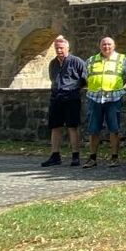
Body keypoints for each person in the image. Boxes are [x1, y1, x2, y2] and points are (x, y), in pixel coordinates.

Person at [83, 36, 126, 168]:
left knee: (114, 129)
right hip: (95, 97)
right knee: (93, 129)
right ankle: (92, 158)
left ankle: (114, 157)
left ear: (114, 45)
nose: (106, 47)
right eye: (104, 44)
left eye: (109, 44)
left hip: (114, 97)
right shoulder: (91, 60)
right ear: (100, 46)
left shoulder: (122, 59)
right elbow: (86, 77)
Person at [41, 35, 87, 167]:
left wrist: (74, 88)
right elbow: (52, 78)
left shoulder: (76, 61)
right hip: (56, 98)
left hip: (71, 98)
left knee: (72, 126)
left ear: (67, 48)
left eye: (61, 48)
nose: (59, 50)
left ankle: (75, 156)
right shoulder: (53, 63)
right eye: (56, 48)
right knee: (55, 127)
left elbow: (85, 78)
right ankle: (55, 155)